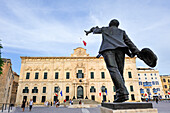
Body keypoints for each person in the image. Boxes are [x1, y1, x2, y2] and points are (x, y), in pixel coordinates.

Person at [85, 19, 140, 102]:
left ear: (110, 24)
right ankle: (120, 94)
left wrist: (90, 30)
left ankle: (123, 93)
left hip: (108, 50)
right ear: (117, 25)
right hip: (121, 50)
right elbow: (129, 42)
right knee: (119, 72)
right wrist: (137, 52)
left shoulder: (105, 29)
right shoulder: (122, 32)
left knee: (113, 70)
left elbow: (95, 30)